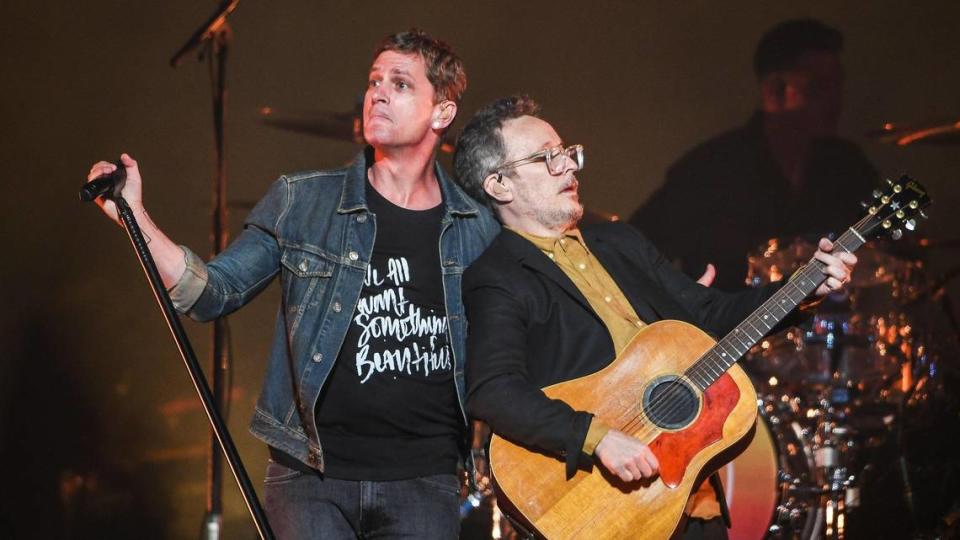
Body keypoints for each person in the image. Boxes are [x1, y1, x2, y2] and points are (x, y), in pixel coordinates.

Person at [86, 29, 499, 539]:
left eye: (401, 83)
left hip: (424, 482)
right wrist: (134, 215)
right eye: (374, 81)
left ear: (442, 113)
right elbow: (210, 292)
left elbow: (512, 350)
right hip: (311, 478)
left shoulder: (476, 227)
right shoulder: (302, 202)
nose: (379, 93)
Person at [452, 95, 857, 539]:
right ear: (499, 186)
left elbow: (711, 315)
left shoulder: (621, 243)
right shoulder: (498, 276)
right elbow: (493, 390)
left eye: (567, 153)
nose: (568, 166)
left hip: (689, 495)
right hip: (605, 506)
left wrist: (804, 287)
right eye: (547, 157)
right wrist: (597, 437)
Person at [629, 18, 877, 290]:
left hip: (822, 325)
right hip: (726, 328)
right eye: (817, 88)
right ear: (773, 91)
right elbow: (635, 253)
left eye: (837, 85)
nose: (834, 100)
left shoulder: (848, 166)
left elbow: (888, 253)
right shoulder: (707, 170)